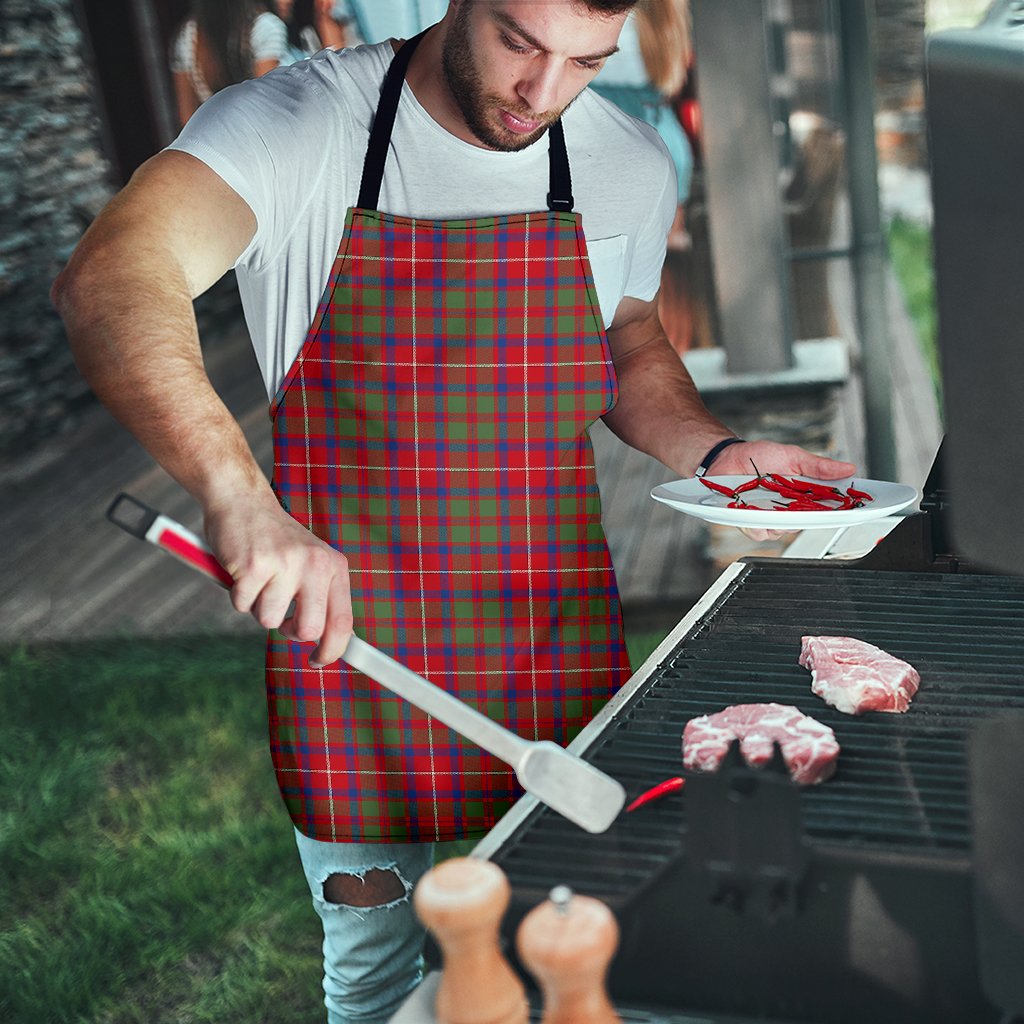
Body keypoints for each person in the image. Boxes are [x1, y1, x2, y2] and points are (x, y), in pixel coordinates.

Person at [53, 2, 855, 1020]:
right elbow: (112, 275)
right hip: (349, 651)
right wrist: (238, 497)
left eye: (585, 62)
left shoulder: (625, 160)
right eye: (521, 42)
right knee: (380, 974)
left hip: (550, 636)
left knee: (576, 947)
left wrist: (717, 450)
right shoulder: (298, 125)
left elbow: (628, 336)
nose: (543, 93)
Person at [170, 0, 289, 126]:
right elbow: (267, 105)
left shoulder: (187, 36)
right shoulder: (265, 27)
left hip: (216, 138)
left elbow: (186, 118)